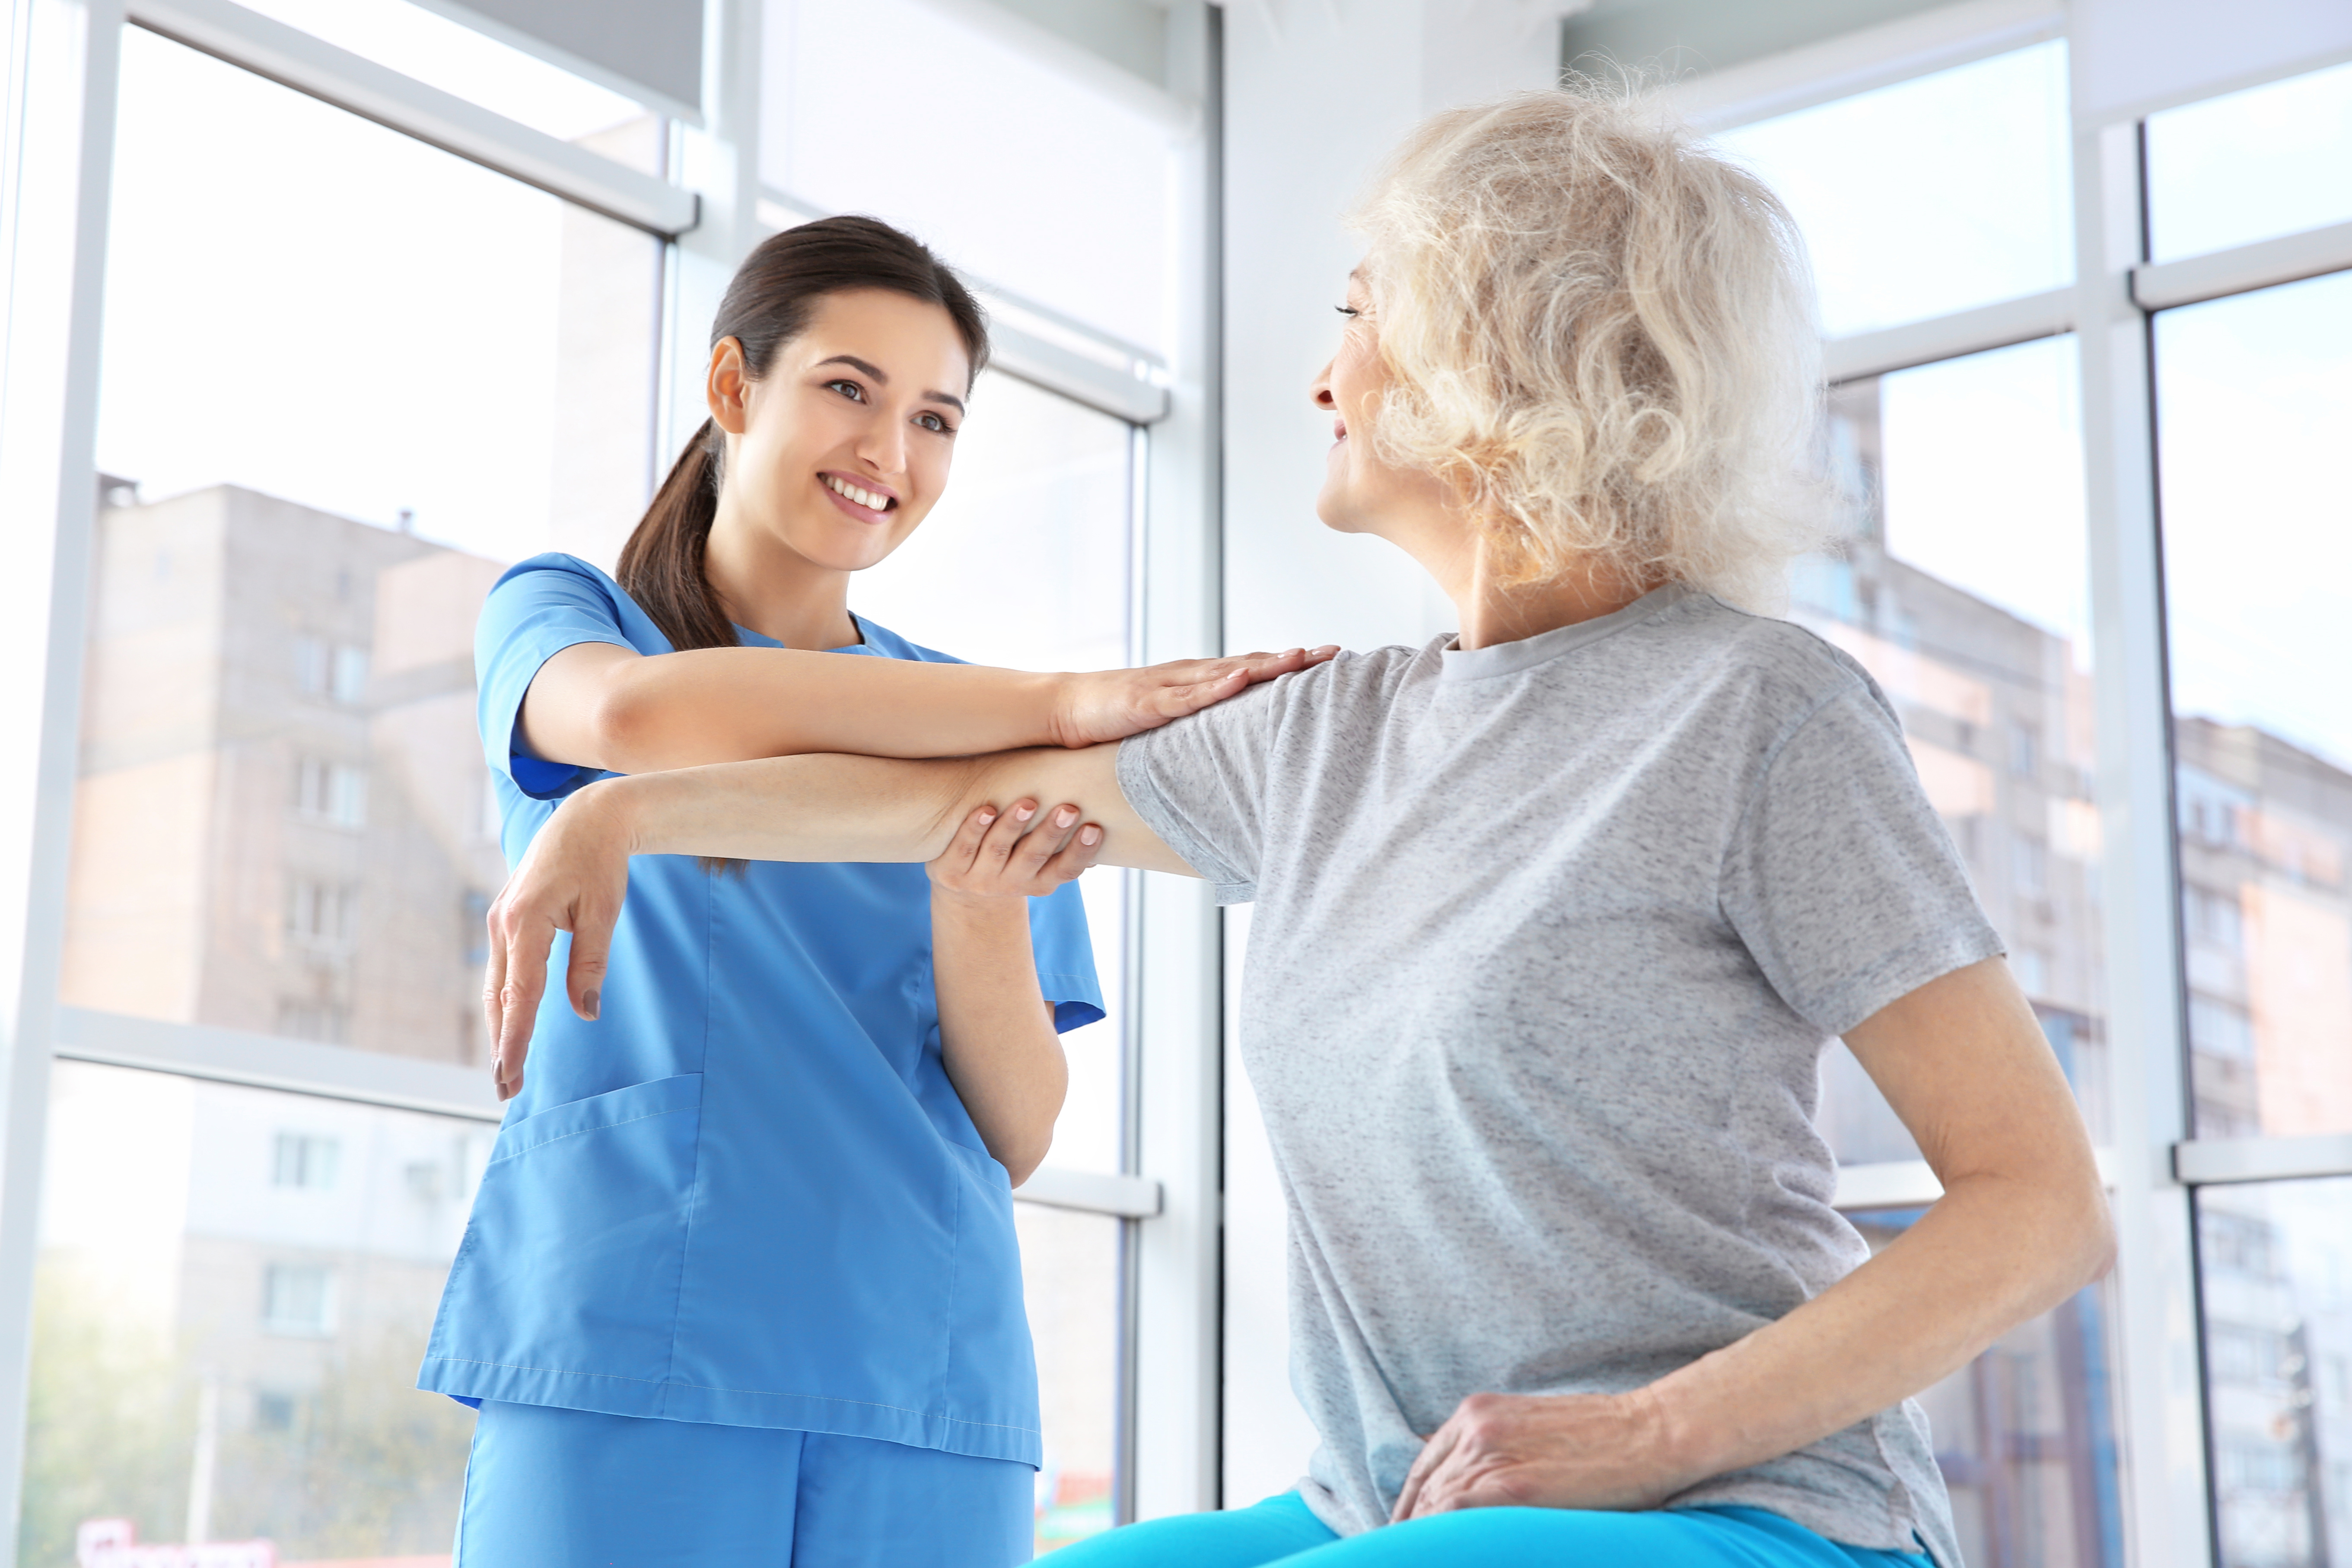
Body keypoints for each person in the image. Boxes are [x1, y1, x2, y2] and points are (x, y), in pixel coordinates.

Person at [477, 92, 2115, 1568]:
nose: (1323, 373)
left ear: (1503, 354)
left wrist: (1646, 1435)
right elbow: (926, 804)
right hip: (1387, 1499)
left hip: (1747, 1508)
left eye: (1359, 320)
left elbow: (2041, 1203)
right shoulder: (1334, 725)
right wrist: (628, 814)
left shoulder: (1755, 709)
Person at [420, 214, 1330, 1568]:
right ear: (735, 388)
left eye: (936, 420)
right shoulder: (571, 619)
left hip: (923, 1364)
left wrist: (973, 904)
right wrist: (1063, 703)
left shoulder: (961, 723)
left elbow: (1013, 1131)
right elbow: (642, 720)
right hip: (631, 1337)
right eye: (848, 389)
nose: (889, 454)